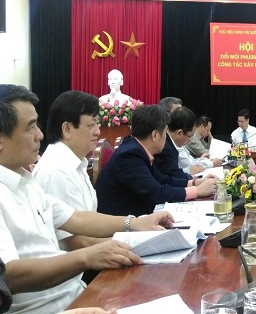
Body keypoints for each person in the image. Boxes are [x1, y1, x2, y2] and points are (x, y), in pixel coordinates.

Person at [0, 84, 174, 314]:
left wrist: (135, 223)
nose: (39, 135)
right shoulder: (52, 171)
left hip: (72, 292)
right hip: (50, 306)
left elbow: (76, 218)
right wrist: (88, 257)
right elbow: (8, 275)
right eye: (30, 127)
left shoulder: (25, 181)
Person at [95, 105, 217, 217]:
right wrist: (197, 191)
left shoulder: (138, 149)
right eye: (165, 132)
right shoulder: (130, 156)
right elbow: (156, 193)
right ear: (155, 135)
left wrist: (194, 183)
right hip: (121, 224)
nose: (166, 137)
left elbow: (163, 180)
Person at [34, 91, 104, 252]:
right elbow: (76, 242)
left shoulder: (75, 163)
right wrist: (131, 242)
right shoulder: (57, 171)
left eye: (98, 124)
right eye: (91, 125)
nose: (98, 132)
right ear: (67, 129)